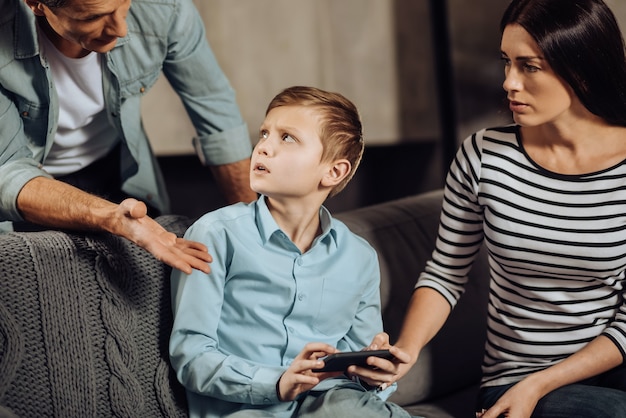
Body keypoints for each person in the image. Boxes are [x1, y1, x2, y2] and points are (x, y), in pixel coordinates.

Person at [353, 0, 626, 417]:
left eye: (528, 66)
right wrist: (404, 349)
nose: (509, 83)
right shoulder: (483, 156)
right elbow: (446, 272)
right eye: (506, 63)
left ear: (582, 67)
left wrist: (543, 384)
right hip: (516, 373)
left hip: (607, 366)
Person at [169, 86, 415, 418]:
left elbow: (358, 371)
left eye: (287, 138)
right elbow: (191, 355)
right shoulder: (215, 235)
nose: (264, 148)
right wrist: (277, 382)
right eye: (265, 133)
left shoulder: (359, 257)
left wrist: (373, 376)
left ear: (334, 171)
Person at [0, 0, 257, 274]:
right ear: (36, 4)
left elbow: (217, 116)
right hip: (30, 192)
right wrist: (112, 218)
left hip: (120, 169)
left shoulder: (164, 7)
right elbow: (9, 172)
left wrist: (255, 231)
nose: (121, 28)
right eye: (94, 17)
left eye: (124, 4)